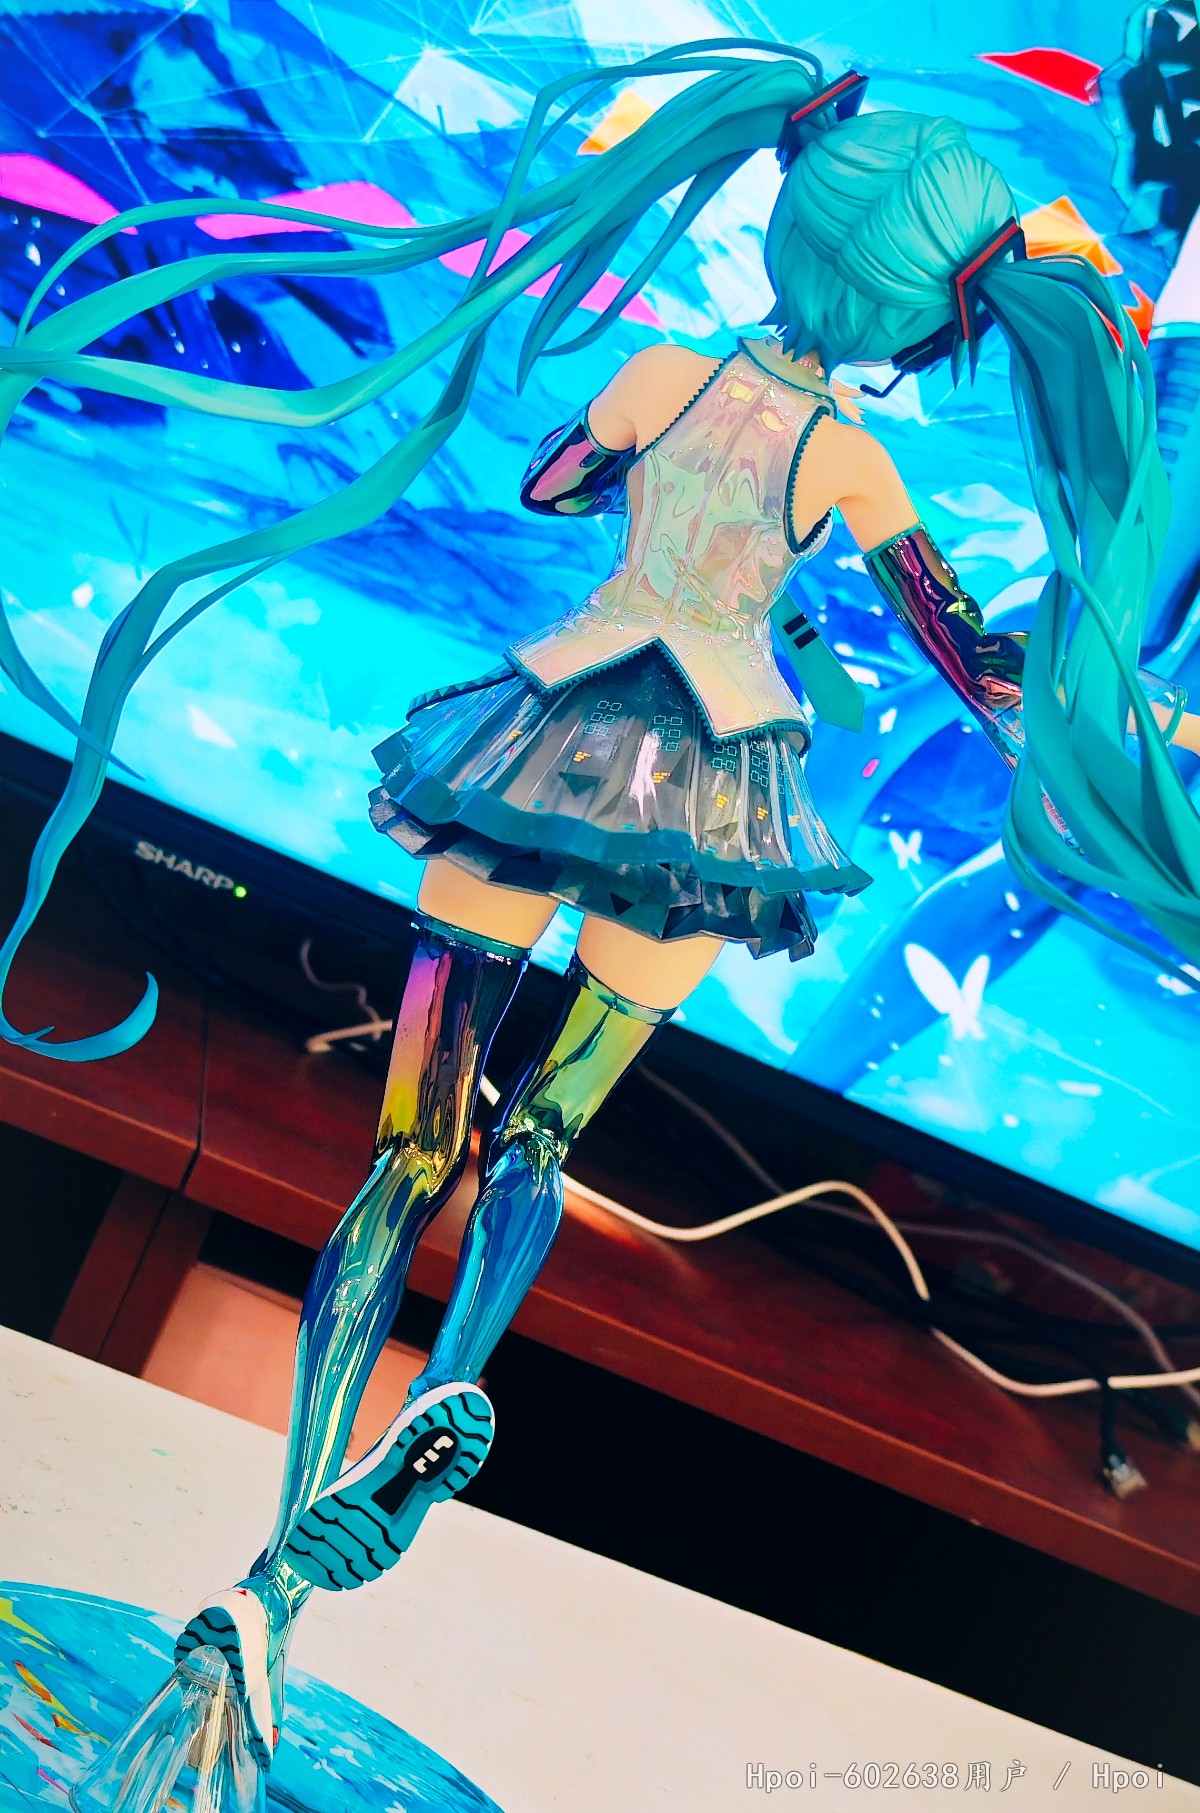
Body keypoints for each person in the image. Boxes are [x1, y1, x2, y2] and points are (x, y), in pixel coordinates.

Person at [6, 36, 1200, 1790]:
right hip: (705, 803)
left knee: (405, 1144)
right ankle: (406, 1442)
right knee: (543, 1142)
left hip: (535, 744)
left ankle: (279, 1556)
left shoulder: (657, 373)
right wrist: (1101, 705)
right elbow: (972, 662)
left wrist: (653, 490)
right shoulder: (858, 469)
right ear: (913, 320)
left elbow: (558, 485)